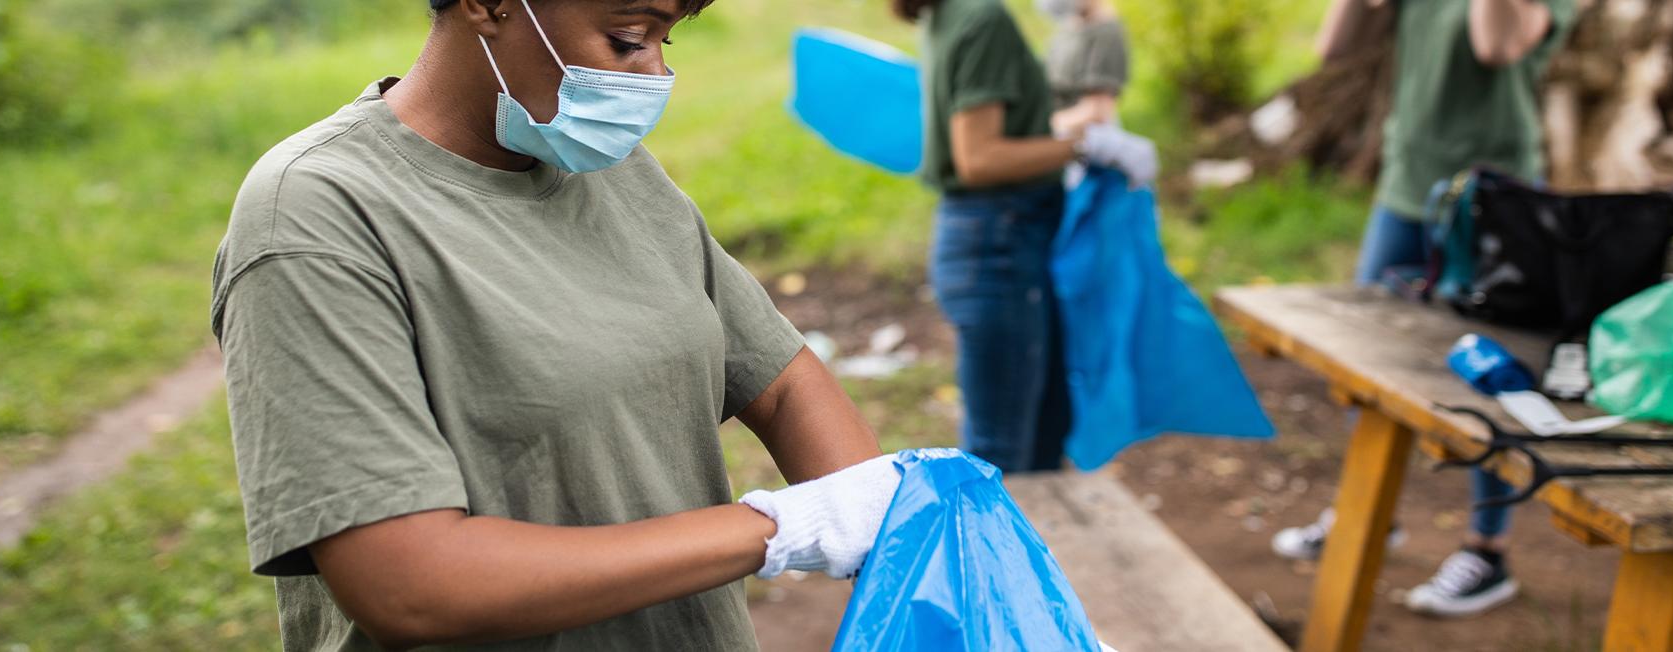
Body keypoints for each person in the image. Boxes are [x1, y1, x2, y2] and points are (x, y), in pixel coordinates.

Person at [211, 1, 913, 649]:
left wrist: (890, 538)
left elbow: (782, 381)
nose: (656, 75)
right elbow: (408, 585)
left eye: (665, 41)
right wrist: (779, 527)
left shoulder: (605, 170)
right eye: (628, 38)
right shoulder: (318, 215)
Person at [1271, 0, 1575, 619]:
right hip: (1407, 183)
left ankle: (1487, 551)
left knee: (1488, 372)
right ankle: (1368, 515)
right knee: (1363, 357)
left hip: (1496, 193)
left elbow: (1497, 46)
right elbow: (1337, 47)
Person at [894, 0, 1154, 474]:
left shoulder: (954, 11)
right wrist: (1083, 145)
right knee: (1004, 456)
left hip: (999, 242)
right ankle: (988, 549)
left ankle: (1035, 546)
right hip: (998, 247)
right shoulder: (981, 16)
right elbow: (979, 158)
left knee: (1042, 431)